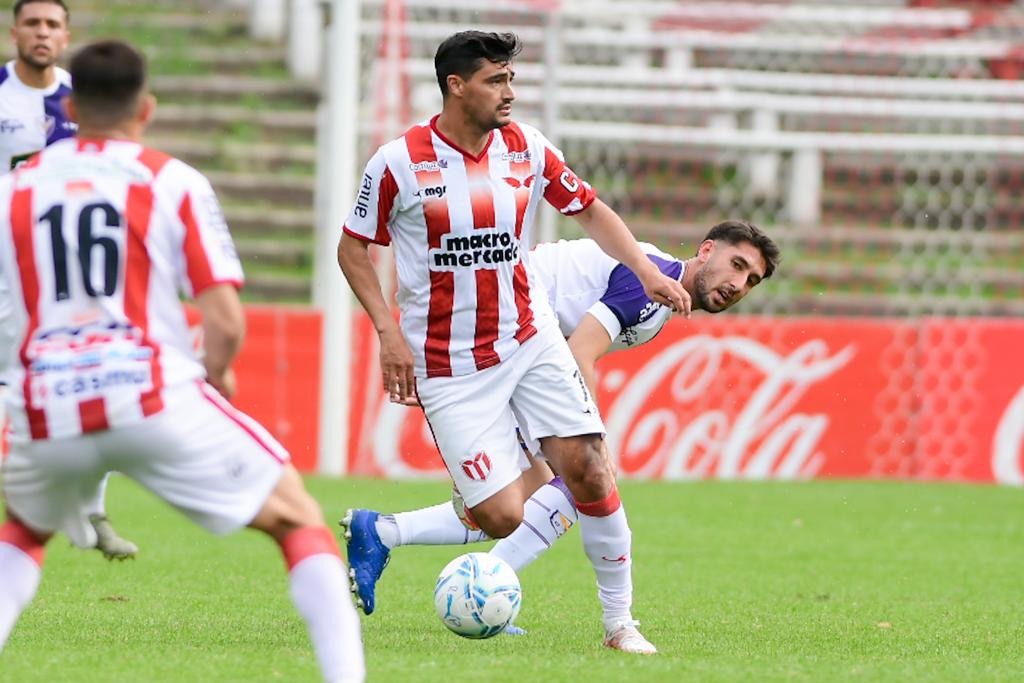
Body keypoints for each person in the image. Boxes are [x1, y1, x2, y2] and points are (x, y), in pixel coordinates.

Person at [0, 40, 365, 682]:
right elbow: (223, 318)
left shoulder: (16, 189)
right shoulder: (171, 180)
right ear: (146, 108)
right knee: (297, 518)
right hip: (151, 394)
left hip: (46, 401)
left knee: (25, 531)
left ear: (70, 104)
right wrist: (218, 374)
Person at [338, 30, 691, 655]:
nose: (509, 93)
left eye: (511, 80)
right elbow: (353, 248)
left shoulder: (526, 146)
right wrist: (388, 333)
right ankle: (384, 531)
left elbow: (591, 210)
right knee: (501, 513)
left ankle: (619, 624)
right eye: (496, 81)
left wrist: (645, 270)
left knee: (588, 469)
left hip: (531, 340)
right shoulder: (398, 162)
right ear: (456, 85)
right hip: (449, 364)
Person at [342, 222, 780, 633]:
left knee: (520, 504)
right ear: (706, 251)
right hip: (497, 338)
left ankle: (384, 533)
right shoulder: (651, 281)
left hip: (498, 339)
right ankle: (516, 592)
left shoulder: (657, 291)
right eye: (737, 266)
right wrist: (593, 437)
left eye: (752, 281)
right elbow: (579, 354)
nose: (738, 285)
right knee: (580, 478)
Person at [1, 0, 137, 560]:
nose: (42, 33)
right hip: (6, 264)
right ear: (14, 31)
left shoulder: (81, 100)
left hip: (65, 271)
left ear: (66, 35)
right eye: (32, 23)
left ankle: (92, 513)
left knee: (87, 374)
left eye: (52, 25)